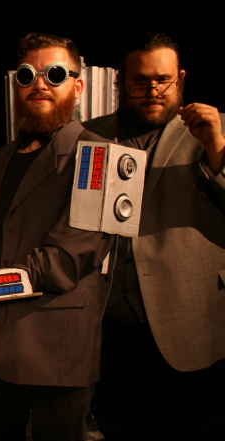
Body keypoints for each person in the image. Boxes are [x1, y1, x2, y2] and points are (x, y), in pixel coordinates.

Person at [0, 33, 114, 441]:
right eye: (27, 75)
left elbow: (64, 261)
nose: (39, 83)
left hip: (54, 355)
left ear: (77, 85)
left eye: (54, 73)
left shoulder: (101, 156)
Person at [83, 33, 225, 441]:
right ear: (120, 82)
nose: (152, 90)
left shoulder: (211, 131)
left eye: (163, 80)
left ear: (180, 79)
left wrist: (217, 147)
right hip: (111, 326)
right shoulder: (89, 135)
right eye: (140, 81)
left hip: (190, 319)